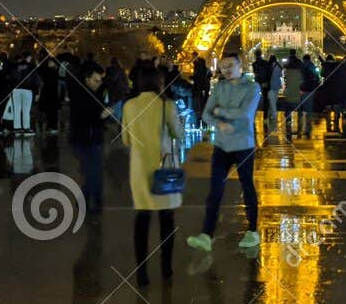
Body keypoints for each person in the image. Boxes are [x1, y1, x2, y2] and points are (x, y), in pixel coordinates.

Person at [187, 51, 261, 253]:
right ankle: (206, 235)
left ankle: (253, 230)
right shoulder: (219, 87)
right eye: (223, 66)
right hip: (222, 145)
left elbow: (246, 115)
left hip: (243, 145)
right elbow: (206, 114)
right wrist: (218, 122)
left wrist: (220, 112)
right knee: (215, 191)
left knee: (247, 188)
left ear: (240, 66)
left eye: (230, 65)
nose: (226, 70)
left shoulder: (253, 87)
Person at [122, 64, 185, 284]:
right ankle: (166, 267)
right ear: (160, 82)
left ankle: (141, 272)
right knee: (166, 219)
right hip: (163, 167)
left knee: (142, 219)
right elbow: (178, 134)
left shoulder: (129, 106)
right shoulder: (166, 105)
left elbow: (125, 139)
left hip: (139, 169)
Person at [67, 62, 113, 213]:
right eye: (96, 80)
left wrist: (102, 117)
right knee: (93, 171)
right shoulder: (80, 95)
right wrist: (102, 116)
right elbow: (83, 119)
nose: (99, 84)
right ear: (87, 79)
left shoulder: (93, 93)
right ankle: (90, 199)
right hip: (84, 139)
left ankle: (91, 199)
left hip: (92, 138)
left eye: (100, 81)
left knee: (94, 171)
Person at [293, 52, 319, 137]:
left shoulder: (302, 68)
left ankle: (300, 126)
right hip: (311, 91)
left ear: (304, 60)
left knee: (300, 109)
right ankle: (308, 128)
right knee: (309, 110)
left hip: (302, 90)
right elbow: (317, 79)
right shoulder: (313, 67)